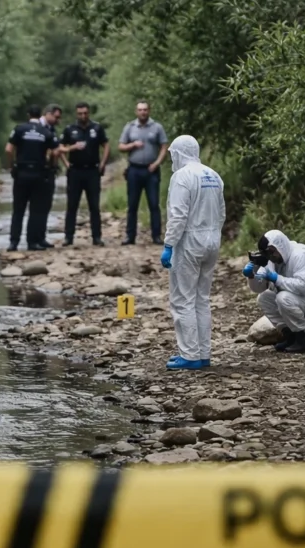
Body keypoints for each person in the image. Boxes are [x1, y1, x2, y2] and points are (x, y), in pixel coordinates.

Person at [160, 135, 225, 370]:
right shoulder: (213, 175)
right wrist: (214, 236)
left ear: (178, 153)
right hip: (212, 239)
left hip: (189, 241)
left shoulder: (181, 177)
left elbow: (178, 215)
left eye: (172, 155)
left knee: (183, 298)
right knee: (202, 298)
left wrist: (168, 245)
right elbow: (221, 212)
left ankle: (189, 354)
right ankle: (204, 353)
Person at [243, 229, 305, 353]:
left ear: (280, 246)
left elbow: (303, 287)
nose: (271, 257)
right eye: (268, 254)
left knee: (283, 297)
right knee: (264, 298)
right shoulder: (273, 260)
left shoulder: (300, 254)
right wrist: (251, 275)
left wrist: (276, 278)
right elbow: (259, 288)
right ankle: (292, 335)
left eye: (272, 252)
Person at [4, 105, 57, 251]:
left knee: (18, 209)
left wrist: (12, 165)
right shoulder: (46, 131)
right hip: (39, 174)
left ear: (28, 115)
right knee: (35, 210)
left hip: (21, 173)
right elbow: (55, 152)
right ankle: (32, 243)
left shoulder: (19, 129)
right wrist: (51, 166)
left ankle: (13, 242)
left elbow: (8, 149)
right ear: (40, 115)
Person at [118, 101, 169, 245]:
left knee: (154, 204)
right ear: (136, 111)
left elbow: (164, 146)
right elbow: (120, 146)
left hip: (151, 170)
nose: (143, 112)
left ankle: (156, 236)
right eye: (140, 110)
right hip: (134, 169)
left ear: (149, 111)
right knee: (132, 204)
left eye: (145, 110)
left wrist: (157, 163)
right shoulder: (130, 127)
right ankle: (130, 236)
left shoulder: (157, 127)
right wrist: (132, 145)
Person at [60, 102, 110, 247]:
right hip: (75, 170)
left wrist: (103, 163)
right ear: (77, 114)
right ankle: (68, 237)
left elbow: (106, 144)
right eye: (80, 113)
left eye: (85, 113)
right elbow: (60, 147)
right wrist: (67, 161)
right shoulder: (70, 129)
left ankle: (97, 237)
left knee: (94, 205)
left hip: (92, 171)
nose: (83, 116)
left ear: (89, 113)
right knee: (72, 205)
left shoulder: (96, 127)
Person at [27, 104, 65, 249]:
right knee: (35, 207)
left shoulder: (51, 130)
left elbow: (55, 150)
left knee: (45, 206)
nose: (58, 120)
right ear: (47, 114)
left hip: (48, 171)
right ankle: (33, 240)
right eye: (56, 117)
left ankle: (41, 237)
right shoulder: (37, 129)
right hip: (36, 170)